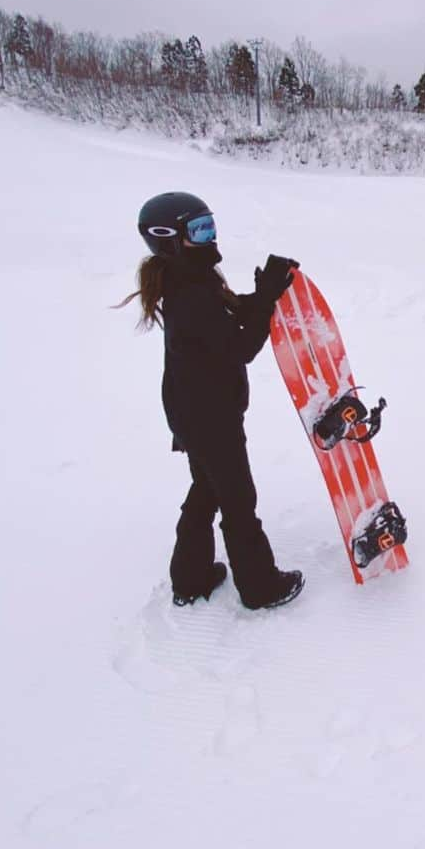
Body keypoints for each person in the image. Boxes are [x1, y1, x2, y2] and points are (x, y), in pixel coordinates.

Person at [118, 191, 304, 611]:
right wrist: (268, 298)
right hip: (208, 416)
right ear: (168, 239)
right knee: (238, 500)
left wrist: (264, 292)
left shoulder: (192, 280)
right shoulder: (190, 294)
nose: (209, 238)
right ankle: (260, 587)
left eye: (210, 227)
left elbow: (232, 322)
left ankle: (191, 576)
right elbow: (240, 346)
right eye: (199, 230)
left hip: (192, 410)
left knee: (207, 488)